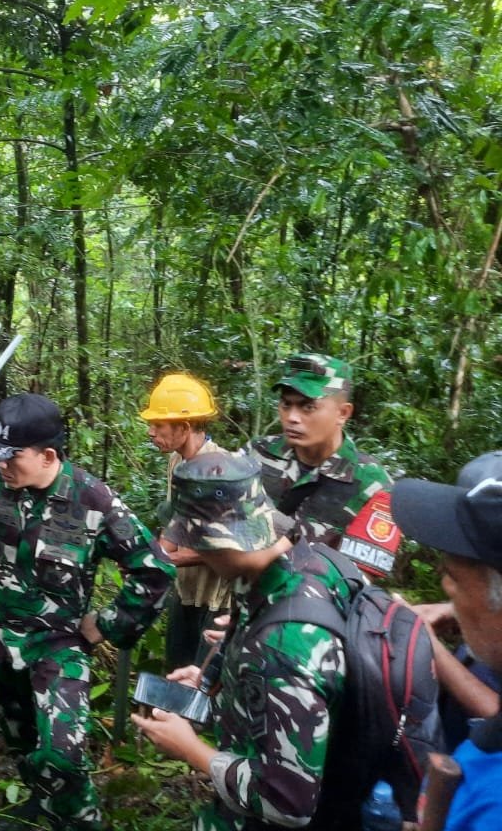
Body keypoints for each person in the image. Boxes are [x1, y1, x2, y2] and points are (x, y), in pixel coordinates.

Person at [0, 393, 174, 829]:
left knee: (63, 751)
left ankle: (82, 821)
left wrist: (104, 626)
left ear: (47, 455)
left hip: (58, 646)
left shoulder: (94, 500)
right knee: (21, 741)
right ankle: (44, 805)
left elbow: (155, 571)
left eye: (10, 457)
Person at [133, 452, 350, 831]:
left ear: (217, 543)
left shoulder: (285, 646)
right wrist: (214, 682)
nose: (194, 552)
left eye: (196, 542)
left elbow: (289, 801)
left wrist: (193, 751)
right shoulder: (301, 560)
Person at [392, 456, 502, 829]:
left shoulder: (491, 801)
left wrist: (431, 648)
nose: (445, 584)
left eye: (454, 576)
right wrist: (456, 609)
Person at [248, 352, 399, 578]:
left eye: (308, 407)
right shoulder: (257, 453)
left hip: (309, 608)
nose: (292, 417)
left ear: (343, 413)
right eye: (286, 404)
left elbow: (356, 582)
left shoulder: (376, 487)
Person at [139, 373, 233, 669]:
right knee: (175, 674)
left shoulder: (220, 471)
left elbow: (223, 550)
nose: (151, 432)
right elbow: (177, 521)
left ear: (184, 427)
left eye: (158, 425)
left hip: (217, 600)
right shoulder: (177, 462)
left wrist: (162, 559)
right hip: (186, 593)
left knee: (199, 685)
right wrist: (149, 553)